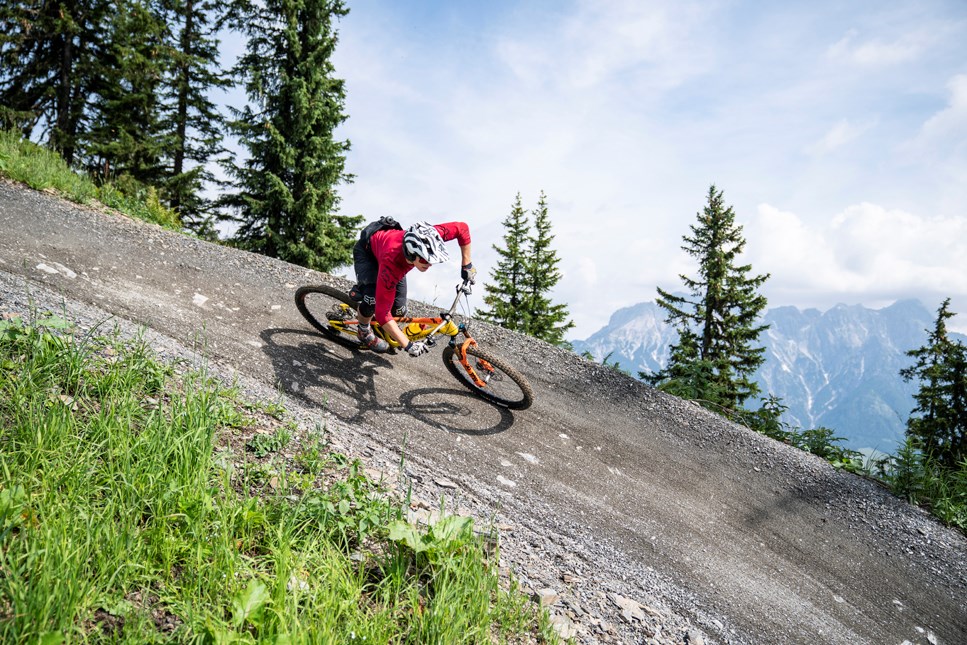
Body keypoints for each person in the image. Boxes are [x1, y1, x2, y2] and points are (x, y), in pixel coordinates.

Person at [351, 219, 476, 355]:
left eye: (432, 260)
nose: (429, 264)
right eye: (424, 259)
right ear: (411, 254)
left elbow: (462, 229)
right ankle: (363, 330)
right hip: (368, 254)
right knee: (372, 300)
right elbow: (382, 315)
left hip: (389, 251)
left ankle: (386, 329)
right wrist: (408, 345)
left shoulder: (429, 237)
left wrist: (467, 265)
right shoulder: (392, 266)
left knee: (399, 311)